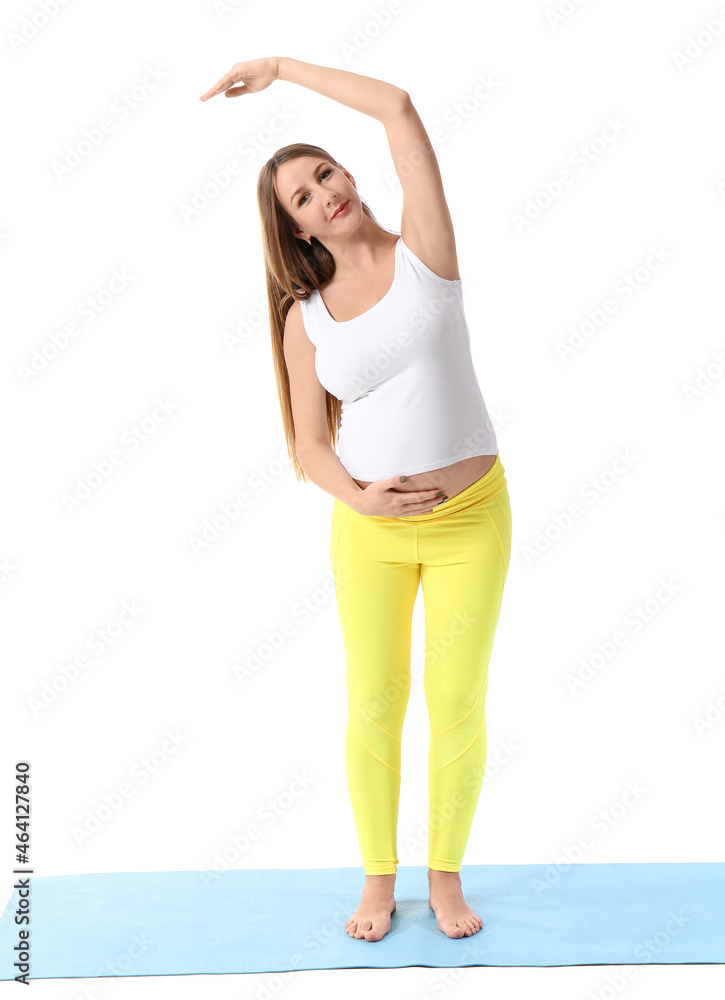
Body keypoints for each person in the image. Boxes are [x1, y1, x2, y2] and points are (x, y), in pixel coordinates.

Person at [200, 57, 512, 943]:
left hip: (471, 521)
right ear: (293, 229)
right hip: (369, 534)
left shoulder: (425, 249)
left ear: (350, 174)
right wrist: (360, 502)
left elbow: (402, 107)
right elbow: (308, 444)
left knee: (457, 699)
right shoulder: (305, 318)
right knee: (374, 701)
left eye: (323, 172)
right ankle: (378, 881)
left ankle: (443, 877)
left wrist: (280, 70)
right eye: (299, 196)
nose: (322, 193)